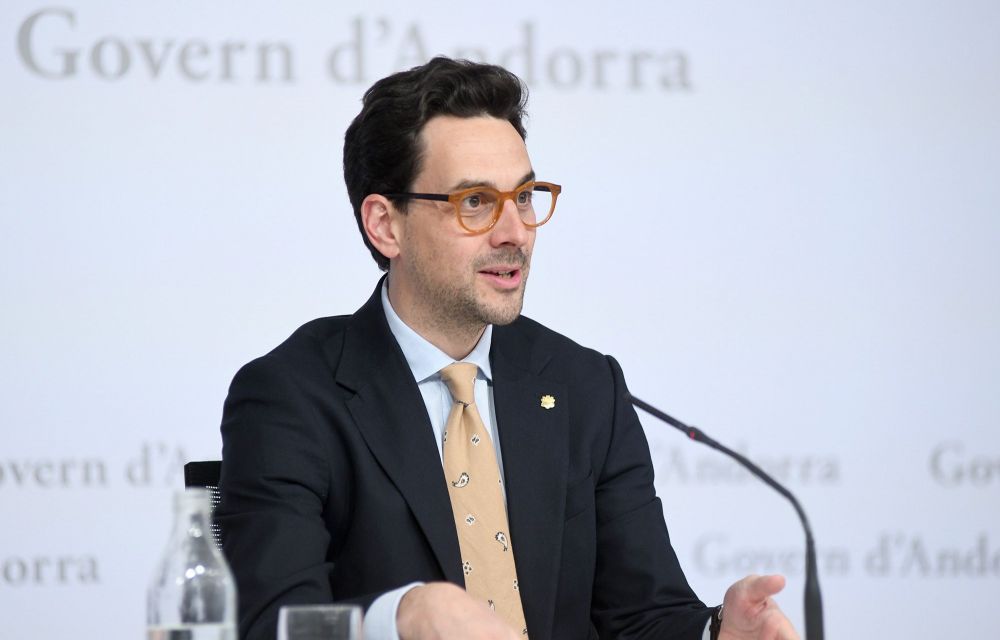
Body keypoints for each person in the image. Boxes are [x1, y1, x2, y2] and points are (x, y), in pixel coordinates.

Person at [216, 56, 799, 640]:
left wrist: (715, 633)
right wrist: (403, 617)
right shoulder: (291, 396)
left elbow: (642, 617)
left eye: (523, 197)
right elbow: (269, 624)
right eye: (475, 202)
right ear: (385, 225)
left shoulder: (585, 386)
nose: (515, 232)